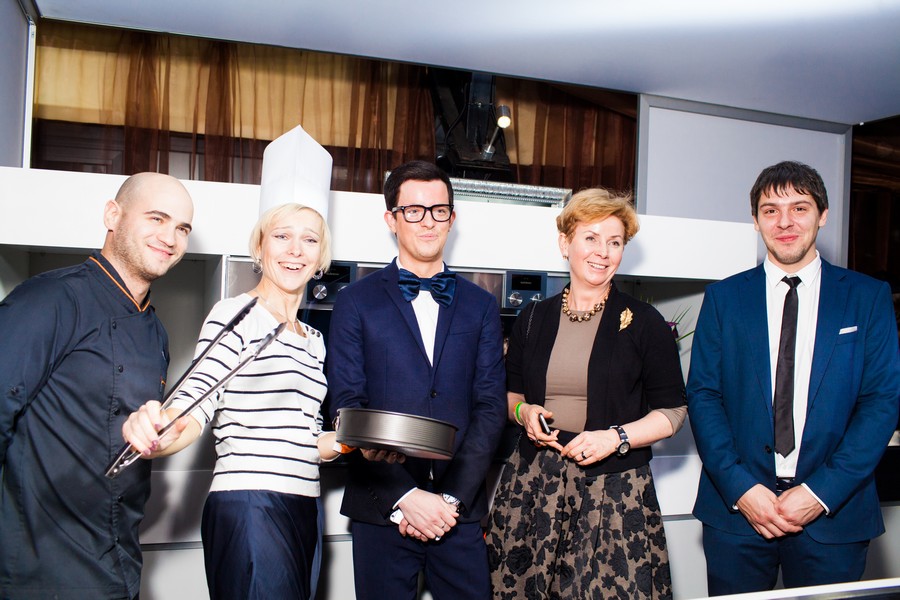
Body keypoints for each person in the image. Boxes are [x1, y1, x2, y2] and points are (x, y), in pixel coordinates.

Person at [686, 160, 900, 595]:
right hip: (737, 514)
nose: (784, 222)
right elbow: (704, 395)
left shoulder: (867, 297)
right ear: (755, 220)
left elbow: (880, 402)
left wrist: (819, 493)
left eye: (799, 208)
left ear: (823, 215)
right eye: (771, 210)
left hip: (834, 515)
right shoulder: (724, 298)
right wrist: (742, 488)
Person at [121, 202, 342, 600]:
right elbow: (195, 401)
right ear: (260, 247)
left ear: (320, 257)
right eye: (282, 236)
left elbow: (307, 440)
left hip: (306, 505)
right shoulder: (237, 314)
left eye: (309, 240)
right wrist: (159, 431)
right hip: (250, 502)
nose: (295, 250)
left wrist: (355, 440)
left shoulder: (314, 341)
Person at [485, 188, 686, 599]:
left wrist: (616, 437)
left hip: (614, 490)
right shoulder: (532, 317)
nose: (603, 252)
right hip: (534, 485)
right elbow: (509, 395)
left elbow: (673, 411)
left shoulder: (645, 322)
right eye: (591, 238)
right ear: (565, 243)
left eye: (615, 242)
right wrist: (524, 413)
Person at [0, 173, 194, 599]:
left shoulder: (156, 333)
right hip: (41, 569)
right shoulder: (48, 299)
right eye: (157, 218)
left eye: (182, 228)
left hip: (119, 565)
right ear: (112, 215)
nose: (170, 238)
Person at [326, 160, 507, 600]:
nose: (428, 221)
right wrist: (405, 496)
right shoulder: (354, 302)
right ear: (391, 219)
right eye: (413, 210)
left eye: (438, 210)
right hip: (382, 506)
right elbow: (348, 407)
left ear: (452, 218)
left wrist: (449, 500)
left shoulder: (482, 305)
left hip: (458, 511)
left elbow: (490, 407)